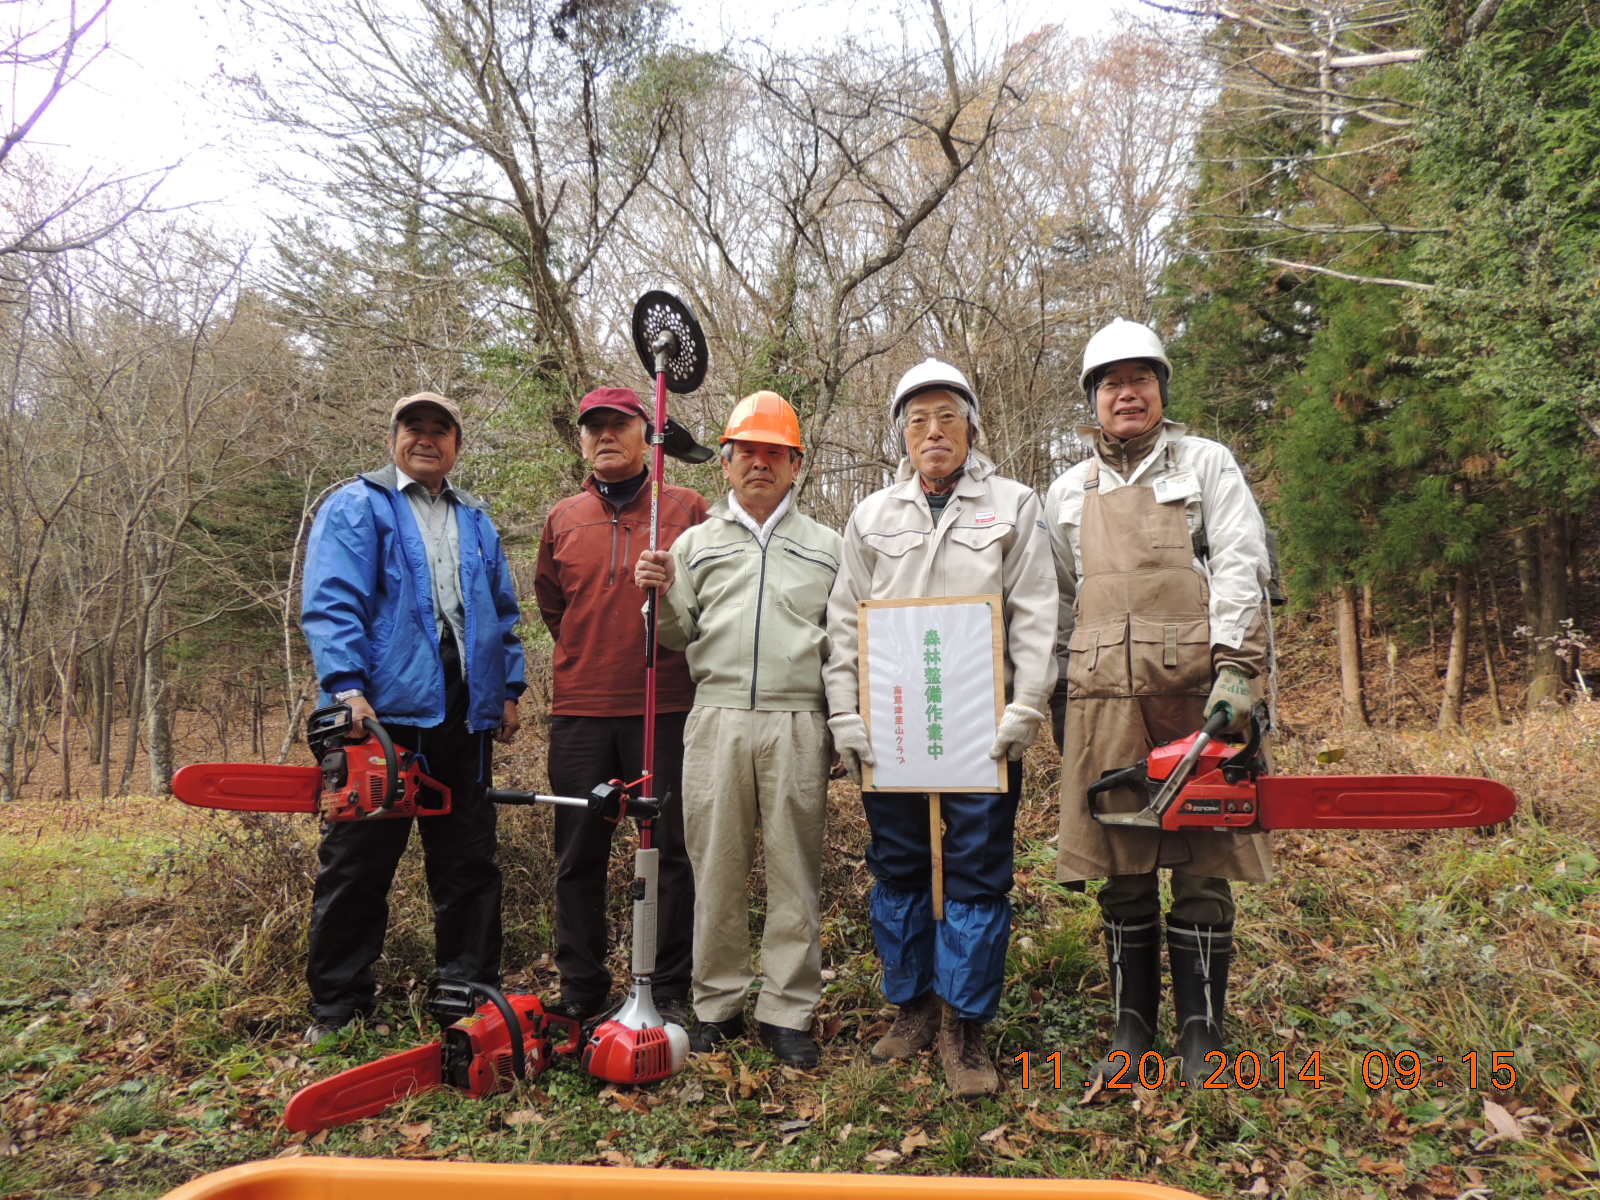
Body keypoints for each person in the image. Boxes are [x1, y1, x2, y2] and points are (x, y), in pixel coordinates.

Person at [1046, 318, 1273, 1083]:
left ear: (1161, 389)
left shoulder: (1206, 464)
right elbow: (1057, 599)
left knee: (1203, 860)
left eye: (1140, 378)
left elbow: (1242, 560)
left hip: (1197, 691)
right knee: (1123, 860)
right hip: (1104, 696)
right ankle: (1131, 1024)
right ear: (1093, 401)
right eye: (1111, 383)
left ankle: (1201, 1030)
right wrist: (1055, 689)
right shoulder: (1067, 493)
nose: (1127, 393)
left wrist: (1237, 669)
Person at [823, 360, 1057, 1098]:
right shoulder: (871, 516)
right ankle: (913, 1004)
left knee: (978, 872)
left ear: (972, 427)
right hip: (892, 727)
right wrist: (845, 713)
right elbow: (841, 624)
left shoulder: (1015, 506)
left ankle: (966, 1026)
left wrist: (1028, 705)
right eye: (918, 420)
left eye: (947, 418)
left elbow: (1038, 611)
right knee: (898, 866)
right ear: (900, 434)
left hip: (980, 730)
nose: (933, 432)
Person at [300, 391, 526, 1044]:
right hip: (379, 717)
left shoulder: (476, 520)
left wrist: (507, 689)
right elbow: (332, 601)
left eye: (440, 430)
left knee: (469, 862)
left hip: (464, 715)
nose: (426, 439)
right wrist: (346, 689)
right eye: (414, 428)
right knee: (358, 864)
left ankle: (466, 988)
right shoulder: (357, 506)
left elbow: (502, 614)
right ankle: (339, 1006)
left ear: (457, 444)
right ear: (394, 436)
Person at [633, 391, 841, 1067]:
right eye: (746, 452)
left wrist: (842, 726)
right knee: (714, 868)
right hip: (716, 715)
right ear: (725, 464)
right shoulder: (693, 543)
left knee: (794, 870)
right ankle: (717, 1002)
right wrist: (656, 594)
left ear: (795, 464)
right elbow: (673, 634)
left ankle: (788, 1010)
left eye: (773, 453)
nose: (759, 464)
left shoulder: (828, 546)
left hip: (798, 719)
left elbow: (845, 644)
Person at [534, 386, 708, 1025]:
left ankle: (666, 987)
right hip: (581, 709)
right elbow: (554, 605)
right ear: (581, 439)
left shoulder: (685, 508)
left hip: (665, 706)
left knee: (667, 851)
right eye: (593, 428)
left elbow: (706, 597)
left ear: (647, 435)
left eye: (619, 425)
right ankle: (581, 986)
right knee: (578, 851)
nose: (605, 436)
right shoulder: (564, 517)